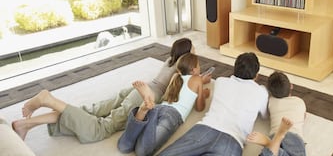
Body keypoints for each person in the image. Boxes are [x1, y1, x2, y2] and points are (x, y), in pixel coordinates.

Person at [12, 38, 211, 143]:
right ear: (188, 57)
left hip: (135, 89)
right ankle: (49, 100)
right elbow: (186, 83)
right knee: (101, 128)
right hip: (143, 95)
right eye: (193, 50)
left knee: (89, 110)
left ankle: (26, 124)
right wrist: (201, 81)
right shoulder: (180, 70)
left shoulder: (170, 60)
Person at [158, 52, 268, 156]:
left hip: (204, 129)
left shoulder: (221, 81)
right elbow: (265, 115)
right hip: (233, 140)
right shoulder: (262, 92)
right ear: (256, 75)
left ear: (235, 70)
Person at [117, 52, 210, 156]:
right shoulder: (197, 79)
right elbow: (200, 107)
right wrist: (202, 93)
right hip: (172, 115)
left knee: (123, 147)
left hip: (158, 107)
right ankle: (147, 109)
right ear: (193, 70)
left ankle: (144, 110)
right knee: (142, 152)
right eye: (198, 65)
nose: (200, 68)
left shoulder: (175, 77)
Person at [247, 71, 307, 156]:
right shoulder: (299, 101)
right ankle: (273, 143)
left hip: (274, 137)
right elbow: (303, 116)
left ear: (270, 92)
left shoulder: (271, 102)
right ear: (291, 86)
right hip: (294, 137)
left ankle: (271, 143)